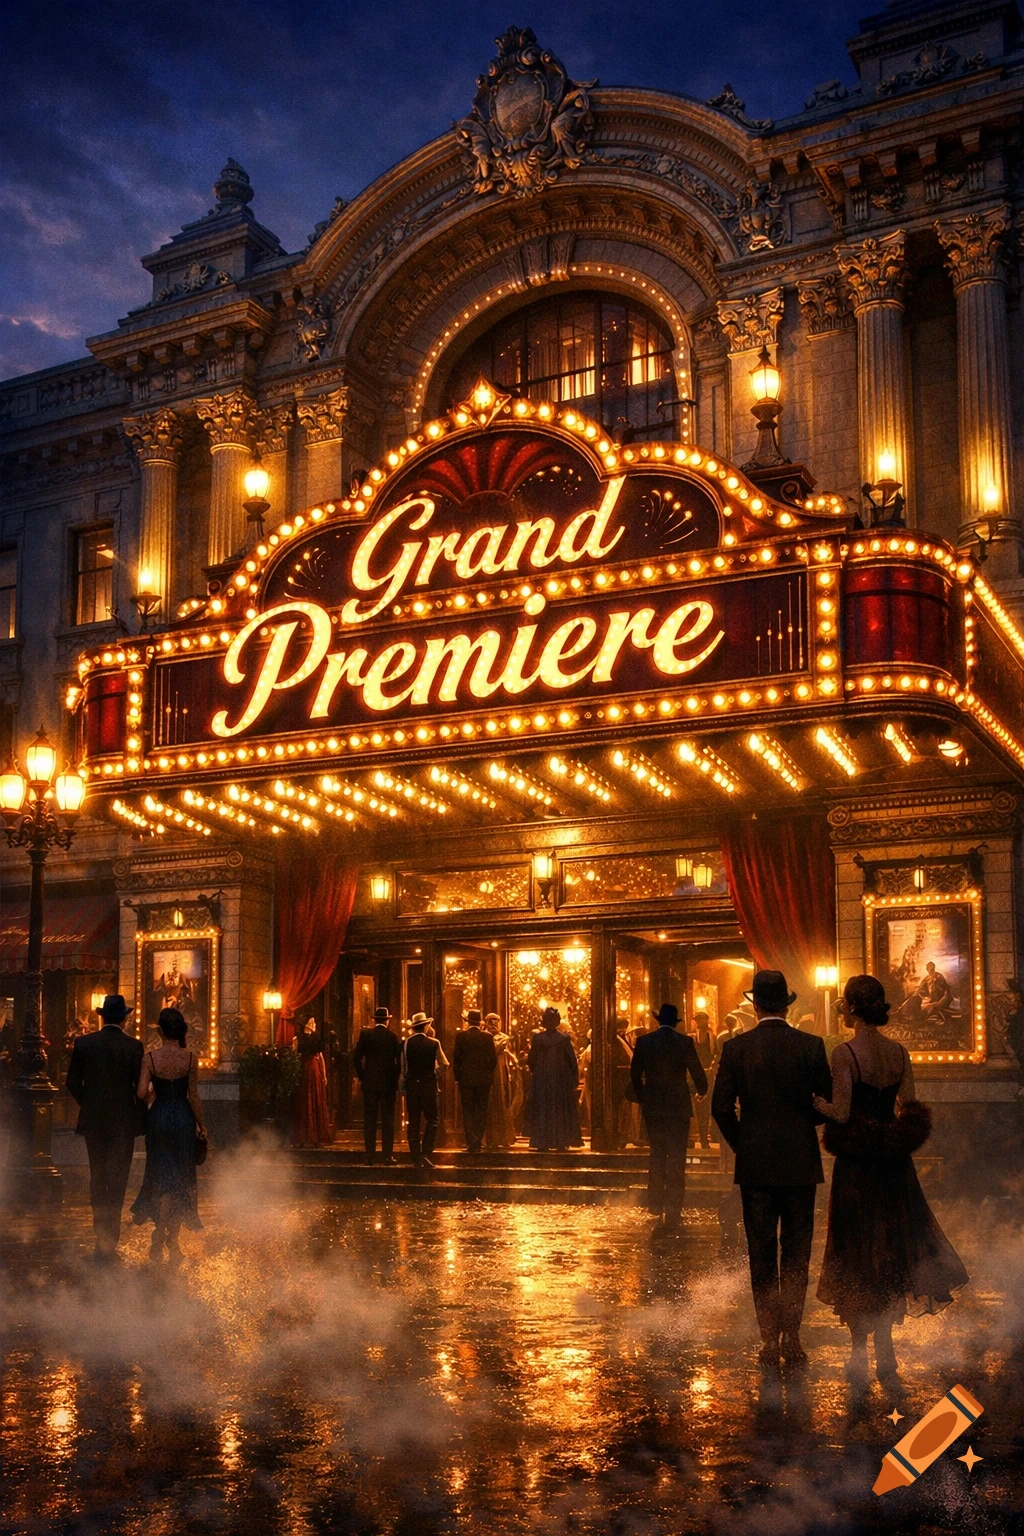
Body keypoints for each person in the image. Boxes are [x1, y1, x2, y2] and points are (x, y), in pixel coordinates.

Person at [813, 974, 968, 1387]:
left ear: (851, 1008)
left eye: (844, 1003)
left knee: (857, 1251)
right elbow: (908, 1108)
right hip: (894, 1168)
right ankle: (886, 1348)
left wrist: (816, 1103)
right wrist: (890, 1137)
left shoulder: (845, 1054)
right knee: (891, 1249)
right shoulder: (899, 1053)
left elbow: (842, 1113)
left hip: (858, 1169)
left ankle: (858, 1350)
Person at [712, 969, 832, 1373]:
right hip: (800, 1163)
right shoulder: (811, 1046)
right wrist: (800, 1127)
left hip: (756, 1164)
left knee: (761, 1251)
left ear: (755, 1005)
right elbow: (824, 1103)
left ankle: (768, 1338)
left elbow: (720, 1108)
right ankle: (793, 1335)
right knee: (796, 1252)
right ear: (786, 1005)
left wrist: (744, 1142)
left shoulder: (736, 1049)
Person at [65, 994, 144, 1263]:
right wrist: (138, 1117)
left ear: (102, 1017)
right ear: (124, 1018)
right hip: (123, 1123)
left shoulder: (84, 1043)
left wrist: (88, 1102)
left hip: (94, 1121)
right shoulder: (133, 1047)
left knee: (97, 1176)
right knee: (118, 1178)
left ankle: (101, 1235)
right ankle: (112, 1238)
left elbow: (72, 1082)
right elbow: (140, 1089)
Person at [130, 1007, 207, 1263]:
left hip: (159, 1119)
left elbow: (141, 1092)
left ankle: (158, 1235)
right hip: (184, 1120)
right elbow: (193, 1096)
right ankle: (172, 1242)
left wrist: (154, 1097)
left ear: (160, 1031)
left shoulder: (150, 1058)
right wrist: (202, 1126)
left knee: (161, 1178)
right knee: (181, 1180)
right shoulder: (190, 1058)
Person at [631, 1003, 708, 1237]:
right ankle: (674, 1207)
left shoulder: (644, 1042)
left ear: (657, 1020)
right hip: (678, 1108)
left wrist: (644, 1097)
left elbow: (635, 1073)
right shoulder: (685, 1042)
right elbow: (697, 1072)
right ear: (676, 1022)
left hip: (654, 1107)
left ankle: (654, 1202)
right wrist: (702, 1090)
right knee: (676, 1157)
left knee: (656, 1153)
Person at [527, 1007, 582, 1150]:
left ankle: (542, 1141)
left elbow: (531, 1060)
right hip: (560, 1081)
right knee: (559, 1109)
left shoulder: (538, 1039)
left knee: (543, 1109)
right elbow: (571, 1061)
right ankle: (560, 1140)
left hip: (542, 1080)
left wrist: (537, 1074)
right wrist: (573, 1078)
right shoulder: (563, 1039)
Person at [352, 1005, 402, 1163]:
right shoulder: (393, 1037)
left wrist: (362, 1075)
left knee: (370, 1120)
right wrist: (394, 1077)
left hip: (370, 1083)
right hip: (388, 1084)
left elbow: (356, 1057)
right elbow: (399, 1062)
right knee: (388, 1120)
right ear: (387, 1021)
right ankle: (387, 1155)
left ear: (375, 1020)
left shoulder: (366, 1035)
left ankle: (370, 1156)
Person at [453, 1008, 497, 1153]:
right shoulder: (488, 1037)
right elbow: (493, 1059)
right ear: (480, 1023)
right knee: (482, 1110)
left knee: (468, 1111)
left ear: (467, 1022)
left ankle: (470, 1140)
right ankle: (478, 1139)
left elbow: (456, 1059)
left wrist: (457, 1077)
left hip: (466, 1080)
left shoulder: (461, 1037)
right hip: (484, 1080)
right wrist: (487, 1073)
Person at [403, 1012, 441, 1168]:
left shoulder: (406, 1043)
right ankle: (425, 1152)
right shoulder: (434, 1043)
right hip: (429, 1086)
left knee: (413, 1121)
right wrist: (434, 1073)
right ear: (425, 1026)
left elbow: (404, 1067)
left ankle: (415, 1155)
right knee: (432, 1120)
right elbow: (444, 1063)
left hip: (412, 1086)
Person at [293, 1012, 332, 1147]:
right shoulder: (297, 1039)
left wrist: (324, 1074)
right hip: (304, 1069)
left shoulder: (316, 1038)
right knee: (304, 1100)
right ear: (308, 1024)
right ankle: (304, 1136)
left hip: (313, 1069)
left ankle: (316, 1134)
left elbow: (320, 1057)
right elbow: (294, 1056)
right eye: (313, 1022)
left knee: (315, 1098)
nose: (315, 1025)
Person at [483, 1012, 518, 1149]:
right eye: (490, 1021)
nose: (493, 1024)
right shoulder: (484, 1037)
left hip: (500, 1072)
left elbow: (506, 1053)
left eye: (496, 1021)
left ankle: (502, 1137)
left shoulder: (503, 1038)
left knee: (501, 1101)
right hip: (487, 1071)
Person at [688, 1011, 715, 1152]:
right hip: (692, 1079)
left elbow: (716, 1057)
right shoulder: (690, 1039)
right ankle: (691, 1138)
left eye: (702, 1020)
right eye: (698, 1020)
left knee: (705, 1110)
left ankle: (704, 1138)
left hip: (707, 1077)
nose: (700, 1022)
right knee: (692, 1110)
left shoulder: (712, 1038)